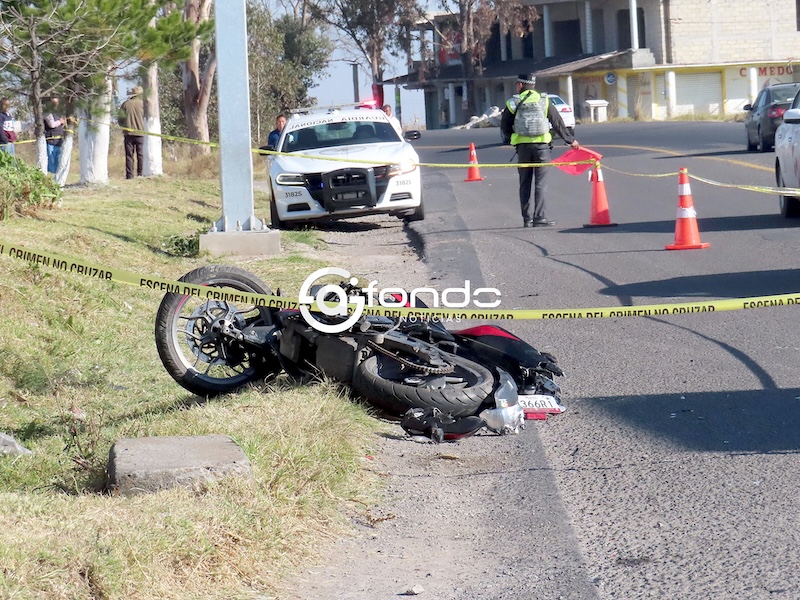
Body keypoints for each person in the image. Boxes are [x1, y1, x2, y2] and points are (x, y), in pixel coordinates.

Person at [501, 73, 579, 228]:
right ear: (533, 85)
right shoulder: (544, 100)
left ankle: (527, 219)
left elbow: (505, 126)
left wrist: (514, 140)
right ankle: (540, 218)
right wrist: (570, 140)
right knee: (540, 184)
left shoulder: (512, 103)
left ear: (520, 85)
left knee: (524, 183)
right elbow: (557, 122)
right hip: (542, 147)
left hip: (523, 148)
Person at [119, 86, 144, 179]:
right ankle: (140, 174)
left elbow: (120, 119)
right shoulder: (144, 104)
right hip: (141, 133)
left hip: (128, 133)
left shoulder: (125, 104)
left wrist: (124, 127)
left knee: (129, 155)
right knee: (141, 155)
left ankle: (129, 175)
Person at [43, 97, 65, 174]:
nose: (55, 105)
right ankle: (50, 175)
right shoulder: (47, 113)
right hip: (50, 140)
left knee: (58, 159)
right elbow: (52, 125)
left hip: (59, 140)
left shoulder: (59, 113)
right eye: (53, 103)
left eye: (56, 103)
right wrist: (60, 121)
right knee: (51, 160)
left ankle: (57, 174)